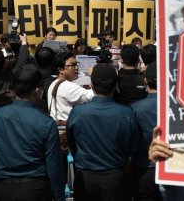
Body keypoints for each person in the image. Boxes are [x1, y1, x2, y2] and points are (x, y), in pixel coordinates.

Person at [0, 65, 65, 201]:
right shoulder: (45, 121)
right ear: (37, 90)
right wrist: (59, 196)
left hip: (4, 187)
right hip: (36, 187)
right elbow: (53, 165)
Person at [66, 63, 139, 201]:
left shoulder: (77, 113)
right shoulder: (127, 114)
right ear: (115, 85)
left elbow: (72, 145)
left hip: (85, 178)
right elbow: (132, 148)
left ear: (91, 84)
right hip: (116, 179)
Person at [131, 62, 163, 200]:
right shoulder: (178, 107)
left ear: (145, 81)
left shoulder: (135, 108)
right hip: (172, 168)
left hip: (144, 169)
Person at [47, 51, 94, 123]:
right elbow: (95, 96)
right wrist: (93, 76)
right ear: (60, 69)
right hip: (68, 130)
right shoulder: (68, 87)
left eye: (76, 64)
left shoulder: (54, 83)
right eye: (72, 65)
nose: (76, 68)